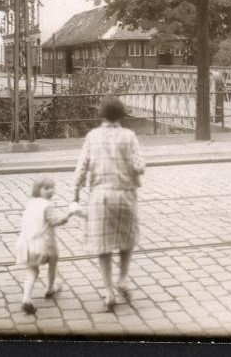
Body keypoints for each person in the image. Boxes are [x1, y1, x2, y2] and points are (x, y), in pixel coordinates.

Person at [73, 98, 145, 312]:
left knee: (103, 247)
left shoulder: (92, 136)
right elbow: (139, 166)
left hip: (100, 197)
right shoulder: (129, 136)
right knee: (126, 240)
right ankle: (122, 278)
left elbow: (81, 168)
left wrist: (75, 194)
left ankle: (108, 292)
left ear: (102, 115)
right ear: (122, 115)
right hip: (125, 195)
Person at [15, 176, 75, 315]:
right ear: (38, 190)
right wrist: (69, 214)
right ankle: (50, 287)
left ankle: (26, 299)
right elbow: (55, 221)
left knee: (32, 272)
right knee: (53, 261)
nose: (50, 191)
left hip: (28, 243)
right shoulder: (47, 206)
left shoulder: (31, 203)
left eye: (52, 188)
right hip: (44, 245)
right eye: (46, 188)